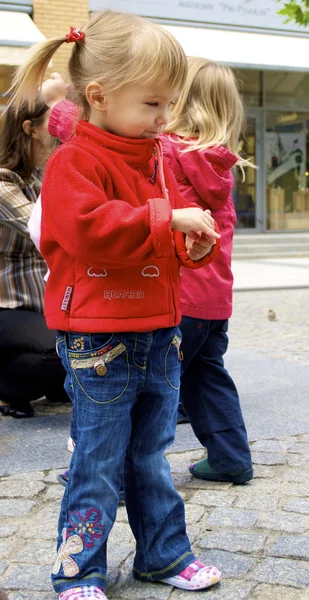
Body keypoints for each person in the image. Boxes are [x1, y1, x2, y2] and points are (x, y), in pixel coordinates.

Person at [10, 11, 223, 600]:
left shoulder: (151, 153)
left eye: (169, 104)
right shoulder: (74, 161)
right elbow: (86, 228)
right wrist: (166, 218)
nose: (166, 117)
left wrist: (190, 244)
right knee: (98, 461)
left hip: (157, 328)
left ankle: (163, 555)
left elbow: (156, 235)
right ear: (100, 96)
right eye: (154, 104)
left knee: (153, 456)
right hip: (99, 336)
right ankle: (79, 570)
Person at [161, 57, 253, 483]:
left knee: (153, 385)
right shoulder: (220, 166)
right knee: (207, 376)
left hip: (180, 297)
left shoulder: (166, 151)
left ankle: (123, 475)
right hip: (215, 302)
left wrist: (59, 102)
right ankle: (231, 457)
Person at [0, 97, 70, 418]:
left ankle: (46, 381)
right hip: (8, 307)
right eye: (50, 125)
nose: (58, 133)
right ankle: (7, 387)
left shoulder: (38, 178)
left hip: (41, 305)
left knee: (88, 345)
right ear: (29, 129)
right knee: (62, 354)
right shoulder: (2, 185)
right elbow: (47, 227)